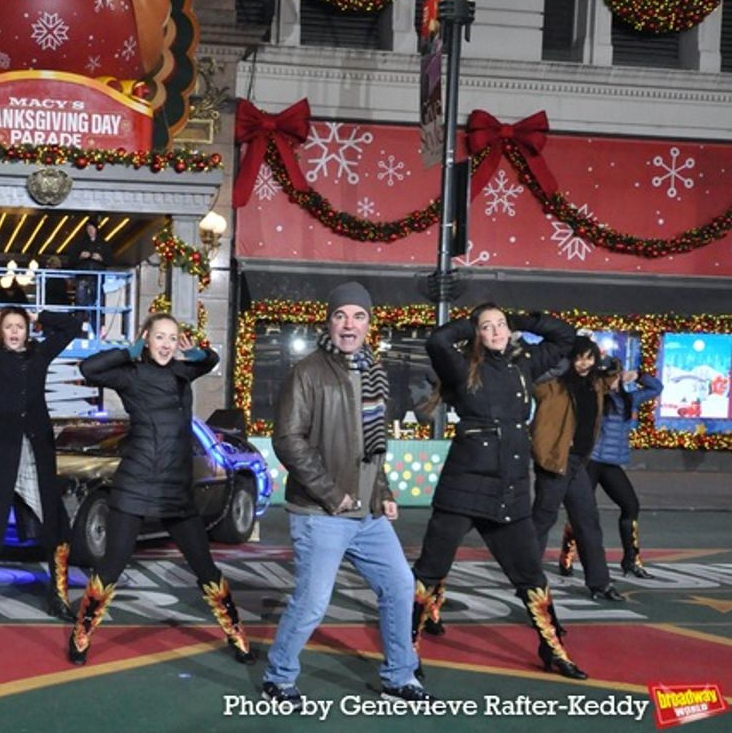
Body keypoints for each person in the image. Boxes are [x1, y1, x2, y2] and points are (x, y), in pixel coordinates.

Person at [263, 282, 430, 705]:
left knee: (398, 585)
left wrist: (384, 491)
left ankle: (398, 676)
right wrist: (331, 494)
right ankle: (279, 677)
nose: (349, 324)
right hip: (322, 512)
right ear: (329, 322)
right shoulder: (309, 372)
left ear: (369, 325)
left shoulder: (375, 372)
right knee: (314, 601)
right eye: (341, 316)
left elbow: (372, 448)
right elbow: (287, 439)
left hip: (368, 515)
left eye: (358, 316)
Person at [410, 303, 589, 680]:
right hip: (462, 488)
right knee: (430, 571)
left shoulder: (524, 365)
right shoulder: (461, 367)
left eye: (500, 326)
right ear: (477, 332)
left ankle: (552, 647)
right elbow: (438, 340)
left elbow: (566, 336)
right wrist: (471, 324)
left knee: (530, 575)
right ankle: (406, 647)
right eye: (486, 327)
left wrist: (523, 318)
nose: (495, 332)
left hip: (509, 492)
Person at [67, 313, 255, 666]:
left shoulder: (184, 373)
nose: (166, 344)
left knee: (205, 566)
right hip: (135, 483)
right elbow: (90, 368)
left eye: (172, 338)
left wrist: (194, 353)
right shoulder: (131, 374)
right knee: (111, 567)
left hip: (177, 489)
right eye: (159, 337)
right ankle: (82, 634)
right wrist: (128, 351)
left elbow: (212, 359)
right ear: (146, 339)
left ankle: (235, 633)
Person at [0, 306, 83, 620]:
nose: (14, 332)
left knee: (56, 525)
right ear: (0, 330)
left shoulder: (40, 354)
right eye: (8, 326)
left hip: (35, 453)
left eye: (20, 326)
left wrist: (42, 317)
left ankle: (59, 598)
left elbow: (73, 327)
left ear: (27, 330)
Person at [531, 337, 625, 602]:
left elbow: (613, 375)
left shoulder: (594, 384)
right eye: (579, 357)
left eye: (589, 358)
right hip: (554, 461)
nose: (584, 364)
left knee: (588, 522)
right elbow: (533, 380)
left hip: (576, 464)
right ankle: (528, 581)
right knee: (542, 521)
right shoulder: (553, 386)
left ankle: (600, 583)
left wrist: (611, 364)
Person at [559, 365, 663, 580]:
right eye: (609, 378)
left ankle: (631, 560)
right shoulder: (594, 398)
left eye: (616, 377)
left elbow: (656, 388)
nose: (613, 382)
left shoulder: (628, 400)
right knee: (581, 511)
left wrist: (639, 375)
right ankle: (567, 556)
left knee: (630, 505)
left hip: (611, 464)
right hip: (590, 462)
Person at [69, 217, 111, 335]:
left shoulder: (103, 244)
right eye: (88, 228)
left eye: (92, 228)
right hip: (83, 277)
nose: (90, 230)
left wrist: (100, 258)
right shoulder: (79, 243)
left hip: (97, 279)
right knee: (80, 304)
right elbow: (70, 261)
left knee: (97, 304)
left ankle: (96, 331)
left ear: (96, 229)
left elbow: (110, 260)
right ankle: (77, 332)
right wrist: (81, 256)